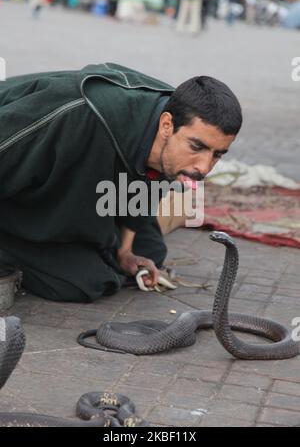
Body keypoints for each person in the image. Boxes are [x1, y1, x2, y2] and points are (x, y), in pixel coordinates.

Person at [0, 63, 242, 303]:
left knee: (149, 251)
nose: (204, 167)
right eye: (197, 147)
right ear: (166, 125)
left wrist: (124, 252)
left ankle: (97, 240)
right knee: (86, 280)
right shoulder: (76, 115)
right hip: (19, 185)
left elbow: (149, 182)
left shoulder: (178, 121)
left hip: (99, 187)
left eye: (217, 154)